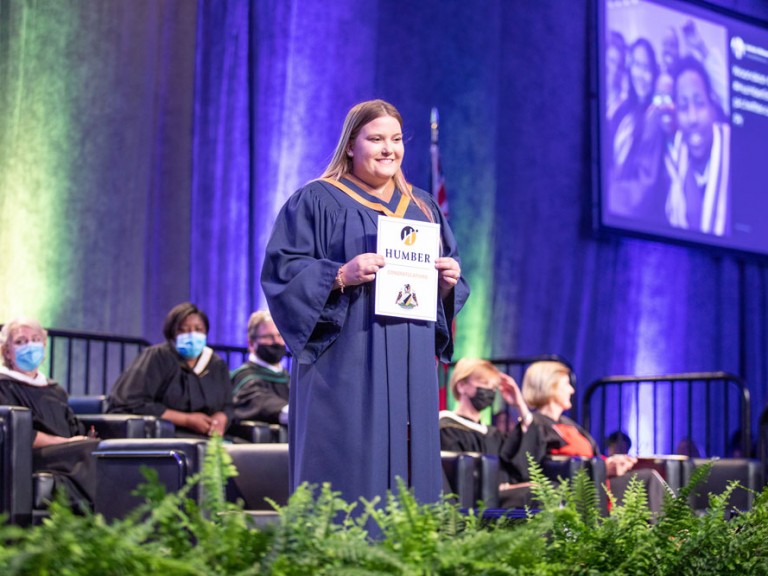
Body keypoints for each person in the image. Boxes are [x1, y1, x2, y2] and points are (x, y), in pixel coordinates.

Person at [261, 99, 469, 507]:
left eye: (396, 139)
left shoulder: (423, 208)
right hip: (346, 363)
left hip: (412, 367)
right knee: (347, 474)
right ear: (351, 145)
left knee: (412, 479)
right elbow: (282, 272)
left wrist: (448, 283)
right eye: (376, 139)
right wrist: (340, 275)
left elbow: (450, 283)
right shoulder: (317, 201)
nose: (389, 149)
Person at [500, 361, 669, 513]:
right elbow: (535, 466)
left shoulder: (570, 425)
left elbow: (594, 456)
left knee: (649, 478)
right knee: (646, 481)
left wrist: (613, 464)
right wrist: (602, 468)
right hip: (573, 491)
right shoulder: (534, 424)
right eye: (566, 384)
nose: (572, 390)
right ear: (550, 385)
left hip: (596, 484)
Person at [0, 318, 99, 510]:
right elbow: (18, 433)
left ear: (44, 347)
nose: (30, 346)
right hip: (27, 456)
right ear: (7, 352)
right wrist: (68, 444)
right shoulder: (3, 386)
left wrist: (83, 437)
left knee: (104, 449)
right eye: (20, 341)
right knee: (87, 452)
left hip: (65, 452)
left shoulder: (55, 389)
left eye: (36, 339)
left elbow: (71, 427)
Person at [107, 302, 233, 438]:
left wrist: (221, 418)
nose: (191, 335)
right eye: (183, 330)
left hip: (208, 438)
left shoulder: (216, 365)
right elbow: (133, 403)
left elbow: (228, 405)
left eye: (198, 329)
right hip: (167, 436)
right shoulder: (158, 357)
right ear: (172, 333)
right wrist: (186, 420)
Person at [439, 359, 533, 507]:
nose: (490, 391)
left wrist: (519, 404)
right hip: (473, 504)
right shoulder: (447, 428)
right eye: (484, 384)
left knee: (550, 490)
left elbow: (518, 464)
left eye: (493, 387)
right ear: (462, 386)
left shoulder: (491, 433)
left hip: (499, 498)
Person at [665, 56, 730, 236]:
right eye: (683, 107)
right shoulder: (670, 161)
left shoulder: (735, 150)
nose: (692, 118)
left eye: (699, 103)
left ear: (712, 107)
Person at [608, 37, 668, 224]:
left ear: (654, 72)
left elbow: (644, 188)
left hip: (632, 219)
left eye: (646, 68)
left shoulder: (654, 117)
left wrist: (607, 193)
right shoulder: (626, 110)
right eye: (636, 65)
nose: (640, 75)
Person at [231, 310, 289, 425]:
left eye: (280, 336)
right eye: (269, 337)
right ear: (251, 344)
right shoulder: (244, 377)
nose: (276, 341)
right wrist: (295, 415)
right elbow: (260, 402)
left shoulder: (289, 378)